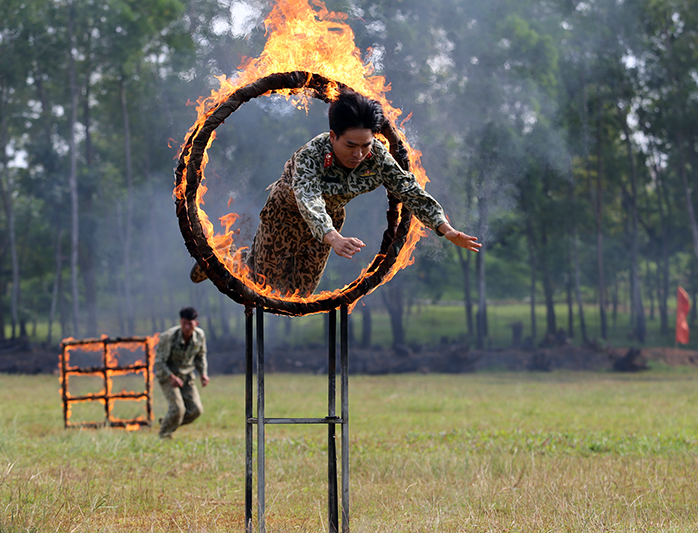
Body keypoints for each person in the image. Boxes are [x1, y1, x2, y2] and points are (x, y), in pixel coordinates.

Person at [192, 89, 481, 295]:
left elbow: (409, 189)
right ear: (333, 137)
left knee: (299, 293)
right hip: (287, 214)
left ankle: (249, 259)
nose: (359, 154)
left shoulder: (377, 156)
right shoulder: (312, 154)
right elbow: (308, 199)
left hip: (330, 221)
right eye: (351, 145)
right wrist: (333, 238)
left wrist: (445, 228)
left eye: (366, 145)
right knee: (262, 283)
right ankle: (226, 255)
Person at [154, 306, 209, 439]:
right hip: (168, 375)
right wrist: (171, 377)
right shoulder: (169, 337)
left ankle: (168, 421)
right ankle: (163, 436)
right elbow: (159, 362)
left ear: (196, 323)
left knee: (196, 410)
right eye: (184, 323)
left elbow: (200, 356)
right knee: (178, 409)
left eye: (190, 324)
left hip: (186, 375)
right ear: (180, 322)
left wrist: (203, 373)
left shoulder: (199, 336)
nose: (187, 327)